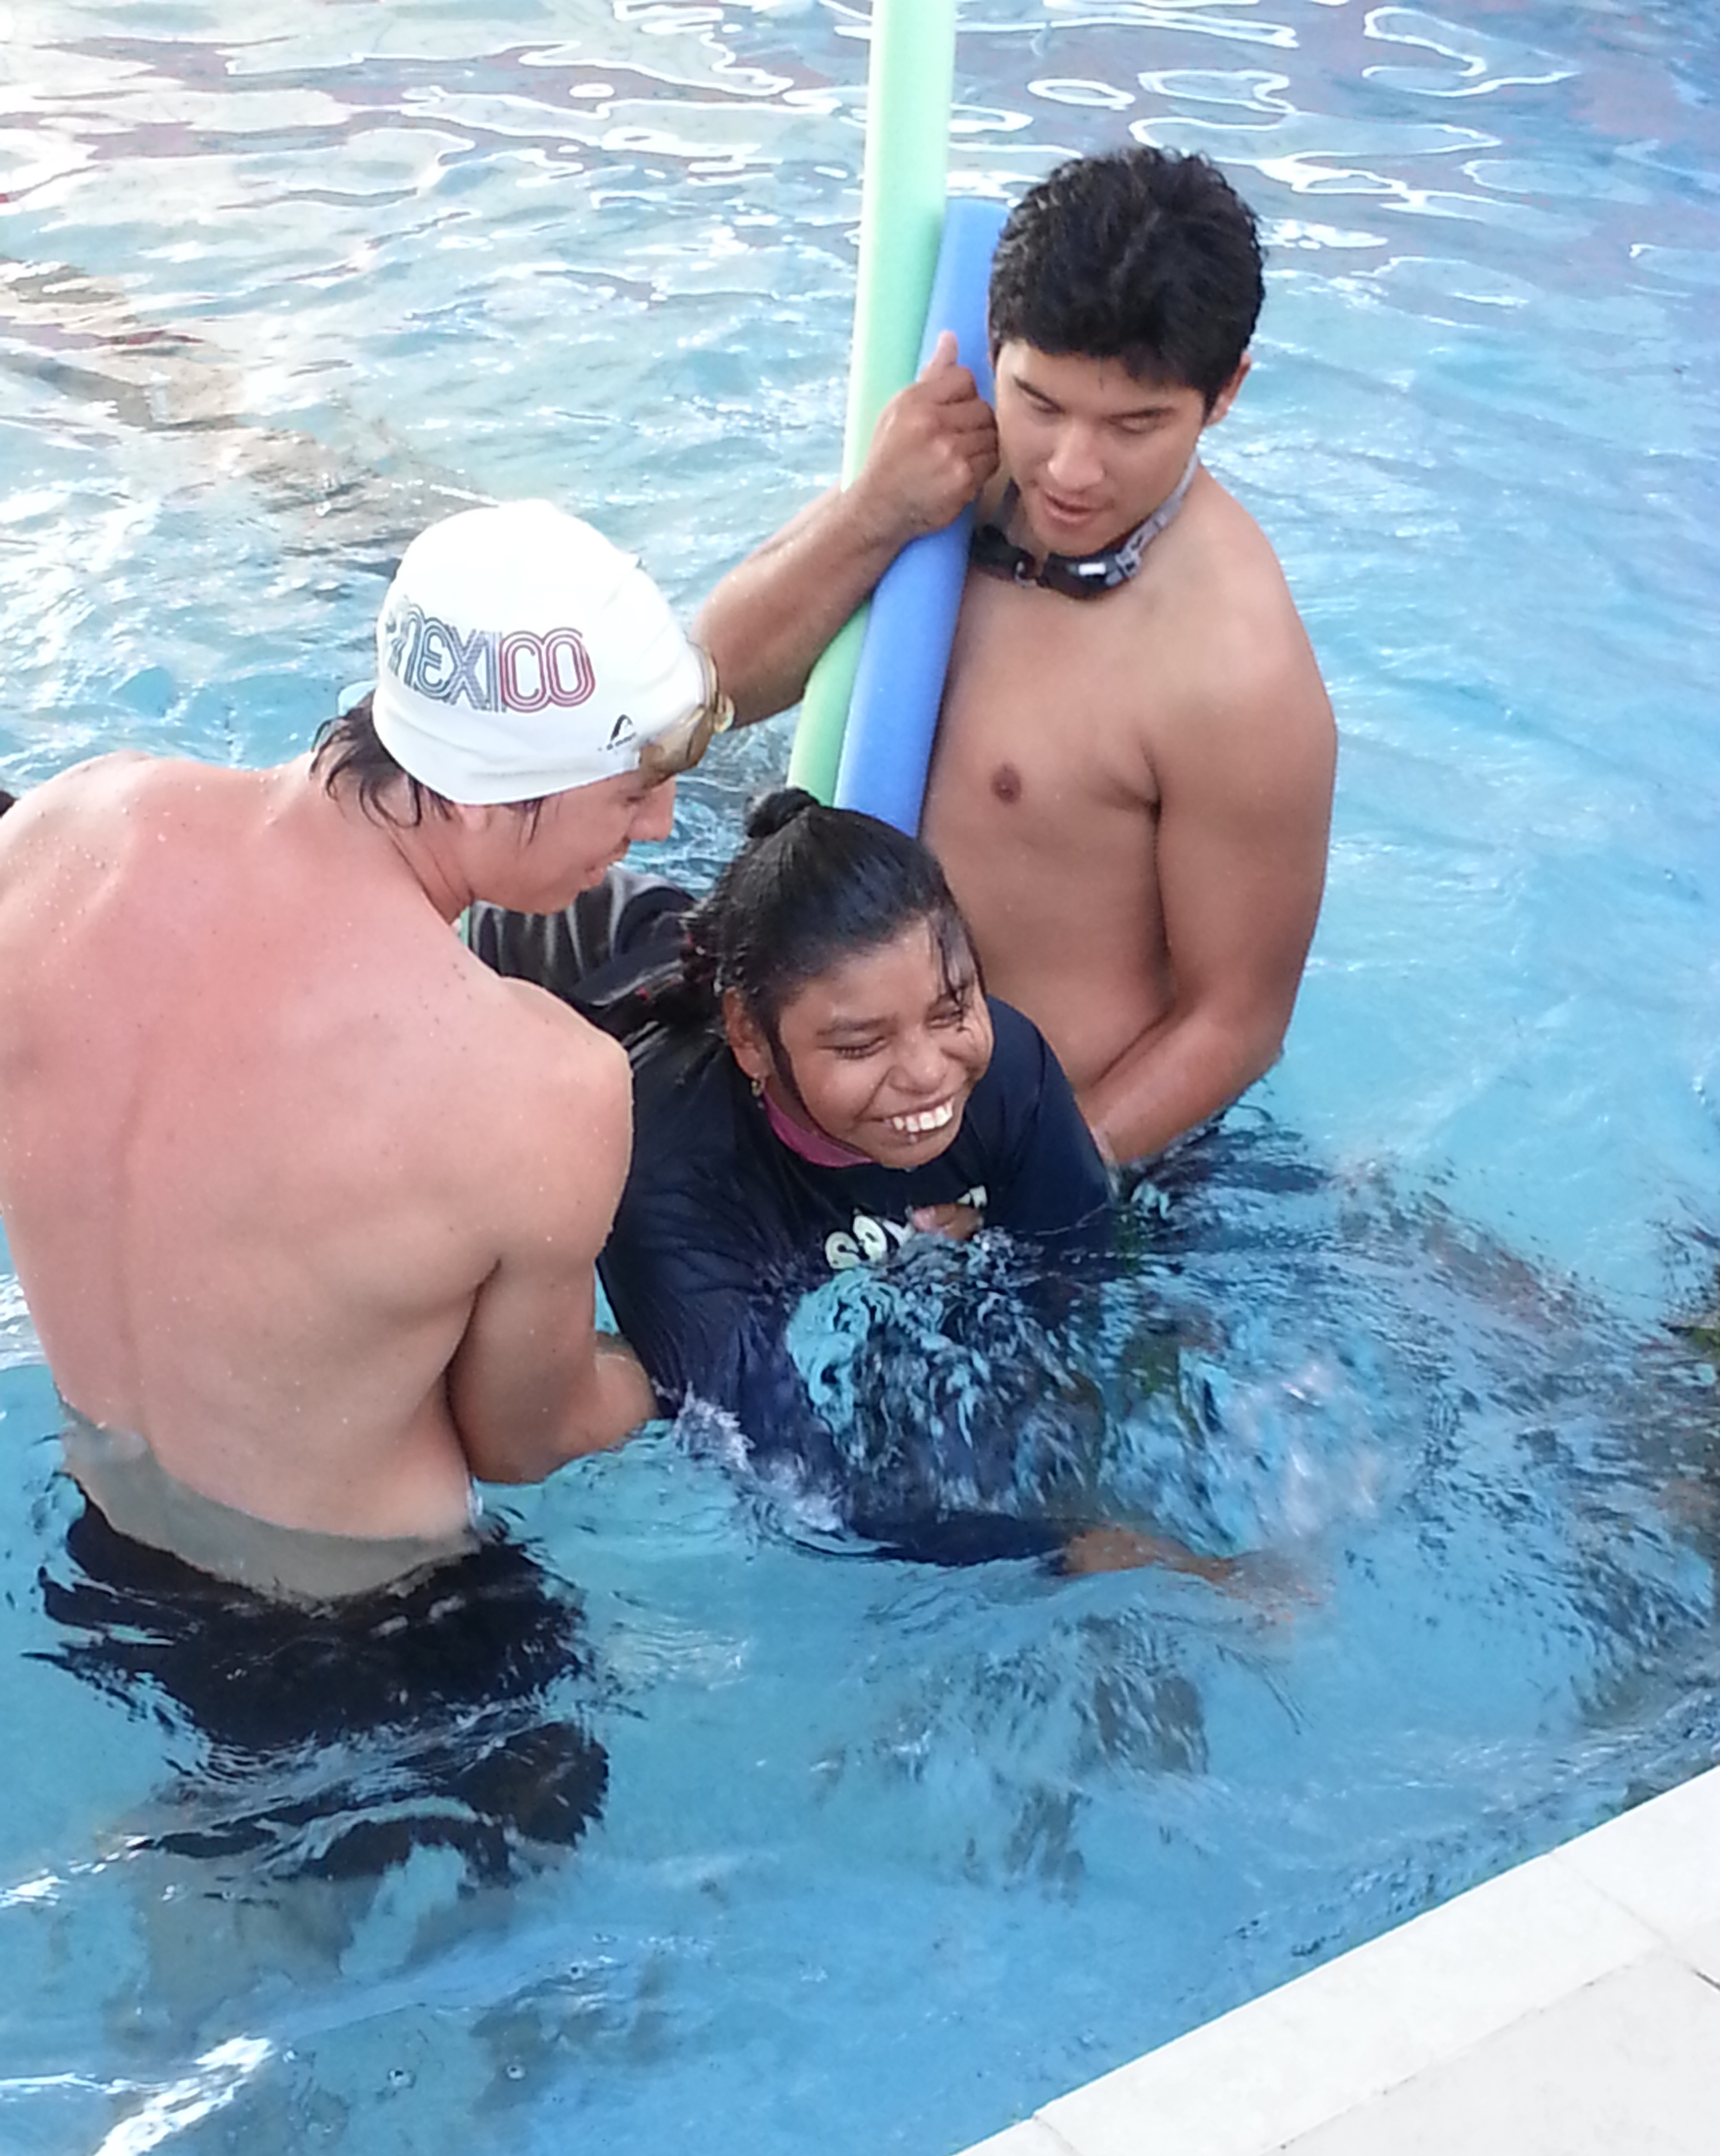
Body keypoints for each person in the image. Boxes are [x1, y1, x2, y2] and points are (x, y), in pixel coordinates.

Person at [0, 498, 731, 1600]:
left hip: (101, 1566)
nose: (665, 822)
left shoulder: (54, 839)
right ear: (486, 800)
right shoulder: (538, 1086)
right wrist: (701, 1342)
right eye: (632, 788)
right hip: (377, 1641)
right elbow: (526, 1441)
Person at [696, 145, 1336, 1172]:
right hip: (818, 1075)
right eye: (1040, 404)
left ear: (1225, 396)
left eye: (1136, 425)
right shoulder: (945, 469)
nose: (1072, 470)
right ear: (996, 347)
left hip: (1028, 1140)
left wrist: (1019, 1194)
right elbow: (705, 694)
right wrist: (874, 511)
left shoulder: (1232, 667)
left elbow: (1235, 1023)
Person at [475, 792, 1250, 1576]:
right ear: (748, 1038)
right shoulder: (670, 1184)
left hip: (713, 969)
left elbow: (1082, 1290)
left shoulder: (1006, 1070)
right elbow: (796, 1485)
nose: (927, 1075)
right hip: (560, 962)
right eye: (860, 1044)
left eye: (952, 1009)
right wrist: (1066, 1552)